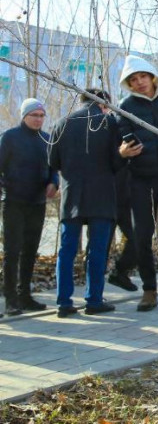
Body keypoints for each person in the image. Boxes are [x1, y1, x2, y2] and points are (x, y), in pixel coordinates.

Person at [48, 89, 141, 318]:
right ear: (104, 104)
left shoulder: (62, 123)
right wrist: (122, 155)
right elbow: (116, 160)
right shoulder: (109, 123)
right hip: (102, 196)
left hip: (72, 197)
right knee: (97, 251)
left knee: (66, 252)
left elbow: (53, 161)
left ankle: (64, 303)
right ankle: (94, 300)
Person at [118, 55, 158, 313]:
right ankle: (149, 289)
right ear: (129, 84)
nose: (139, 83)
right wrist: (122, 152)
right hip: (140, 179)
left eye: (142, 76)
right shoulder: (126, 105)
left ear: (151, 76)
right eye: (133, 80)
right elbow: (120, 140)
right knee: (142, 235)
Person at [0, 98, 58, 316]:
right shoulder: (10, 137)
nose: (39, 119)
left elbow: (53, 167)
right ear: (24, 116)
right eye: (34, 115)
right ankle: (11, 299)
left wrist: (54, 182)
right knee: (12, 251)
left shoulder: (47, 139)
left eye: (42, 116)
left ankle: (25, 295)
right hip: (14, 201)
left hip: (38, 202)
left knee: (30, 251)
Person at [104, 169, 139, 293]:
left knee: (138, 239)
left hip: (128, 196)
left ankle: (120, 273)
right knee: (100, 246)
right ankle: (93, 292)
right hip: (105, 197)